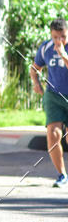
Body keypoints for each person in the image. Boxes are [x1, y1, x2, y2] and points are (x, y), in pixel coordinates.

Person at [30, 17, 68, 187]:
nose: (59, 41)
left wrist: (64, 55)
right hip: (53, 96)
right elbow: (34, 68)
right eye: (55, 37)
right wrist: (36, 83)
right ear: (51, 35)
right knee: (54, 135)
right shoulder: (45, 48)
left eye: (63, 37)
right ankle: (62, 175)